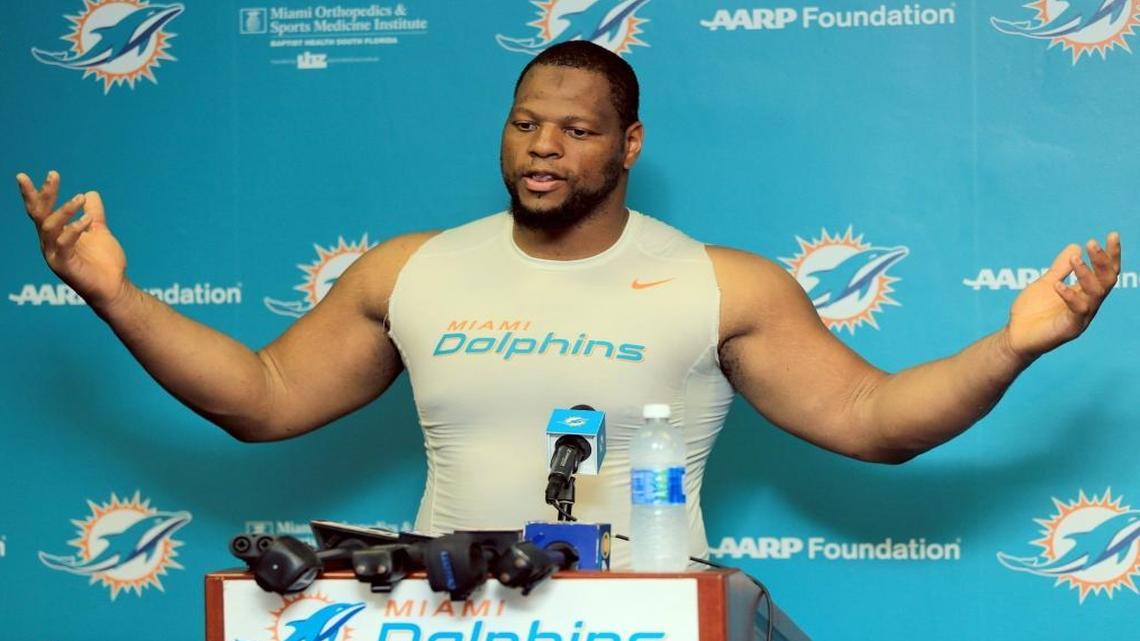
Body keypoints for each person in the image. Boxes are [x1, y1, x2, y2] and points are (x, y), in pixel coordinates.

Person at [16, 42, 1121, 568]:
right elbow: (259, 398)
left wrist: (1012, 345)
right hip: (456, 610)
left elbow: (876, 422)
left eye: (577, 129)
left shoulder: (723, 281)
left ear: (629, 145)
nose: (543, 145)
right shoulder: (411, 270)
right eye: (524, 122)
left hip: (648, 613)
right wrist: (118, 296)